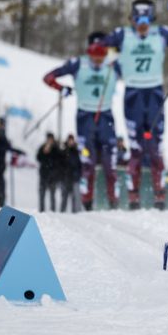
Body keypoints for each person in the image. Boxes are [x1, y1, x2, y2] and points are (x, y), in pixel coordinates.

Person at [105, 0, 168, 210]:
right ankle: (133, 196)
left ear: (151, 18)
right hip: (133, 93)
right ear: (132, 19)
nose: (142, 24)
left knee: (155, 147)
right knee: (135, 147)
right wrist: (110, 54)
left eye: (146, 19)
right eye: (138, 19)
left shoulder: (161, 33)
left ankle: (159, 195)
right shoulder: (122, 34)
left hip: (154, 93)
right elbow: (98, 46)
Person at [44, 32, 121, 210]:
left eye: (101, 55)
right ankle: (87, 202)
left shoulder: (114, 64)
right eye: (94, 55)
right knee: (88, 162)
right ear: (88, 52)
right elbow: (48, 77)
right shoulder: (78, 63)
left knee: (111, 163)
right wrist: (61, 88)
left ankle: (114, 201)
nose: (97, 60)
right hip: (85, 118)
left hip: (106, 116)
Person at [36, 132, 63, 212]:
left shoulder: (56, 149)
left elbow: (59, 159)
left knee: (52, 194)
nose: (50, 141)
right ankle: (41, 210)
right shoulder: (42, 147)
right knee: (42, 193)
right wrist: (44, 152)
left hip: (53, 176)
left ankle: (53, 211)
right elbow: (38, 158)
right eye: (48, 139)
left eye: (51, 139)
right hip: (43, 174)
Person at [61, 134, 82, 213]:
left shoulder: (76, 151)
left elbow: (79, 165)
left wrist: (78, 174)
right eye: (69, 140)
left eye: (72, 140)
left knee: (75, 197)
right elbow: (60, 164)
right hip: (65, 177)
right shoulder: (63, 151)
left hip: (74, 177)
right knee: (64, 197)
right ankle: (62, 212)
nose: (70, 142)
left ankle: (75, 213)